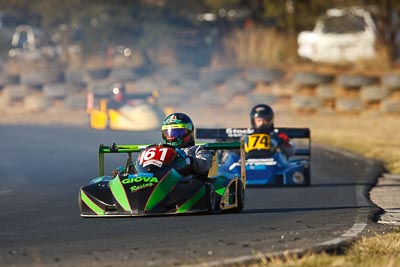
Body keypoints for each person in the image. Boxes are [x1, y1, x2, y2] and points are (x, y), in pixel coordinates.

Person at [161, 112, 212, 177]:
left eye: (177, 133)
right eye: (168, 133)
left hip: (187, 182)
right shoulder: (162, 150)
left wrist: (188, 161)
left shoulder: (197, 149)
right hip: (163, 182)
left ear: (189, 132)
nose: (172, 137)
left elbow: (205, 165)